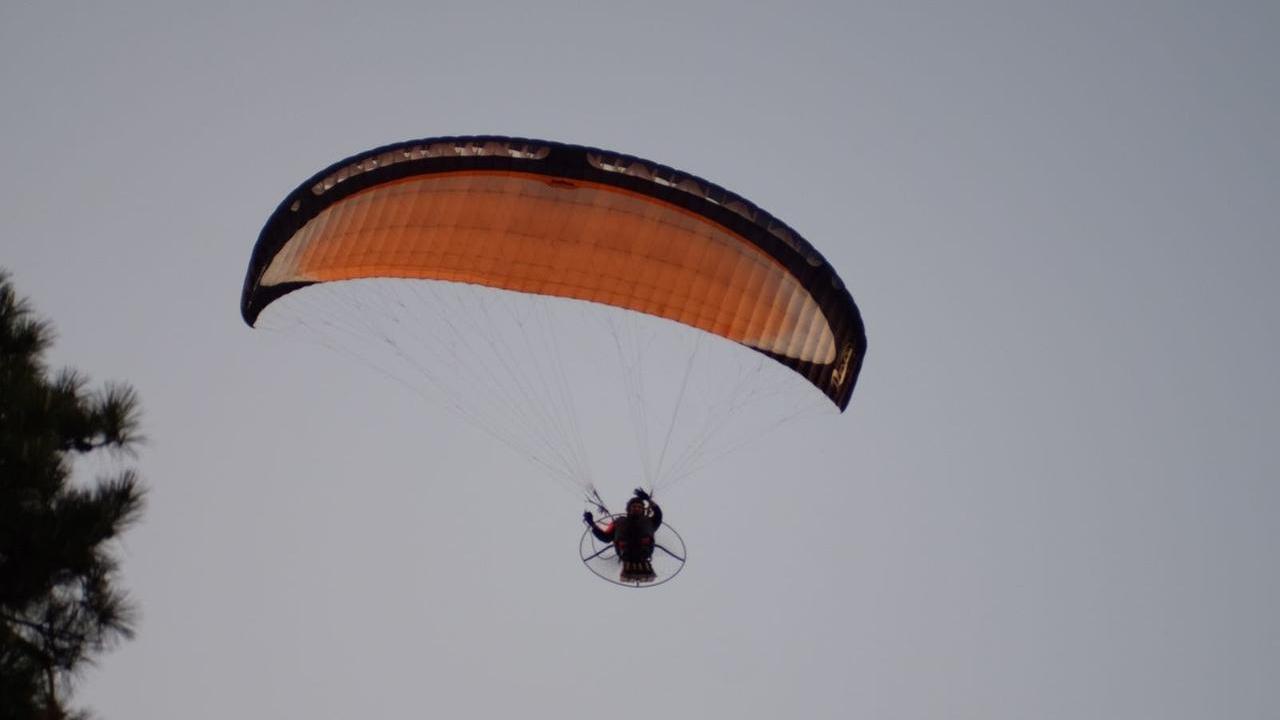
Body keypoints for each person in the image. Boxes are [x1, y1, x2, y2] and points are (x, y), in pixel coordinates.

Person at [583, 488, 663, 582]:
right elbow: (605, 537)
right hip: (626, 553)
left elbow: (658, 515)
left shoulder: (649, 522)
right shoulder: (619, 523)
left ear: (643, 509)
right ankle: (632, 569)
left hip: (643, 554)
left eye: (639, 507)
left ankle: (639, 569)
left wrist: (648, 499)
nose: (636, 508)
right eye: (634, 506)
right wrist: (591, 523)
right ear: (628, 509)